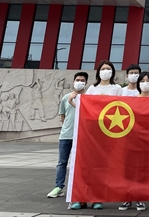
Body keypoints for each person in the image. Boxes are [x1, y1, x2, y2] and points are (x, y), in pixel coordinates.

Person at [82, 60, 121, 210]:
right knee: (88, 165)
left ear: (112, 72)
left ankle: (98, 198)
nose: (106, 71)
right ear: (98, 71)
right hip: (93, 131)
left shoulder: (117, 88)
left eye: (108, 69)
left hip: (109, 130)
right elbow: (85, 106)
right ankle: (83, 197)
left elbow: (122, 106)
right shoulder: (92, 88)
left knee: (102, 166)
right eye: (103, 69)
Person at [48, 72, 87, 205]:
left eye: (82, 80)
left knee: (81, 164)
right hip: (66, 135)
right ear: (73, 81)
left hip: (82, 136)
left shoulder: (87, 98)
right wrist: (67, 127)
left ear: (86, 83)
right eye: (77, 80)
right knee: (62, 162)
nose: (79, 82)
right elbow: (62, 115)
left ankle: (79, 187)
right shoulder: (66, 97)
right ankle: (58, 187)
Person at [119, 72, 149, 211]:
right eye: (143, 80)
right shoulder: (131, 100)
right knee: (128, 169)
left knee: (143, 170)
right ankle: (127, 197)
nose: (145, 83)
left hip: (148, 141)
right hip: (131, 140)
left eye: (148, 80)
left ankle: (140, 197)